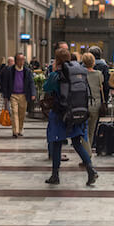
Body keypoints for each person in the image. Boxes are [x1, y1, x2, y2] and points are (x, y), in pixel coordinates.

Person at [43, 49, 98, 185]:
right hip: (76, 113)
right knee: (77, 143)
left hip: (59, 114)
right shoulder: (78, 73)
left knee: (56, 144)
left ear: (57, 60)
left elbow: (46, 88)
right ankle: (91, 169)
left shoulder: (56, 75)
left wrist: (53, 70)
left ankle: (55, 175)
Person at [0, 53, 36, 138]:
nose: (21, 61)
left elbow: (31, 83)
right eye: (20, 60)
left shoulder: (27, 71)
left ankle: (20, 129)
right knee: (14, 112)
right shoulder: (10, 70)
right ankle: (15, 131)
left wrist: (33, 93)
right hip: (13, 95)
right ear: (16, 61)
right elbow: (5, 83)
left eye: (23, 59)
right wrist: (5, 95)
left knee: (22, 113)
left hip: (24, 95)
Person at [81, 52, 104, 158]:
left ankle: (87, 153)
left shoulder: (81, 73)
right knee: (92, 129)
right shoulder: (99, 74)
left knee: (83, 130)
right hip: (96, 103)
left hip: (83, 103)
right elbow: (101, 87)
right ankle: (88, 151)